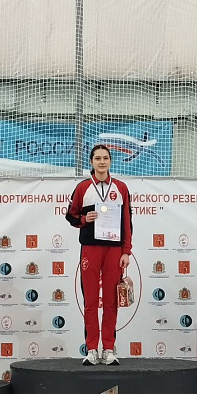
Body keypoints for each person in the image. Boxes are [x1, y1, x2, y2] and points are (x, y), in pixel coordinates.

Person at [66, 145, 133, 365]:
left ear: (110, 161)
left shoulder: (121, 188)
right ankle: (92, 349)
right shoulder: (83, 187)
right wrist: (84, 219)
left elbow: (127, 222)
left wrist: (126, 251)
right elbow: (71, 216)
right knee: (91, 300)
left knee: (111, 301)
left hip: (114, 250)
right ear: (91, 162)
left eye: (105, 158)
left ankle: (109, 349)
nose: (102, 162)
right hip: (90, 249)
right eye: (97, 158)